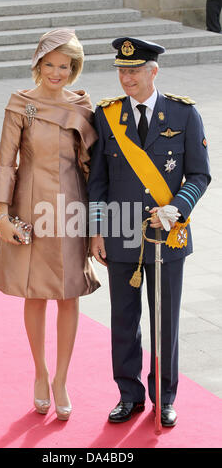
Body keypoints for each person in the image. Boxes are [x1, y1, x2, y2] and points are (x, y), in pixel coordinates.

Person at [88, 37, 211, 427]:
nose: (127, 78)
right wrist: (96, 230)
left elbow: (200, 173)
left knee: (165, 320)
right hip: (122, 228)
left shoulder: (183, 114)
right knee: (124, 318)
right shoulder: (106, 115)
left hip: (168, 233)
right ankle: (129, 394)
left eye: (135, 70)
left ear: (153, 71)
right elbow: (98, 181)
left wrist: (177, 207)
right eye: (122, 71)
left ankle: (166, 396)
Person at [0, 28, 100, 421]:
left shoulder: (84, 107)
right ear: (38, 65)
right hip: (30, 209)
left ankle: (62, 380)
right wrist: (2, 216)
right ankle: (40, 372)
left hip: (71, 208)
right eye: (50, 65)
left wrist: (98, 224)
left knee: (68, 294)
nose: (56, 73)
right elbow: (7, 162)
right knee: (35, 293)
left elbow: (93, 168)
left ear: (74, 68)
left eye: (64, 66)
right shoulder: (21, 103)